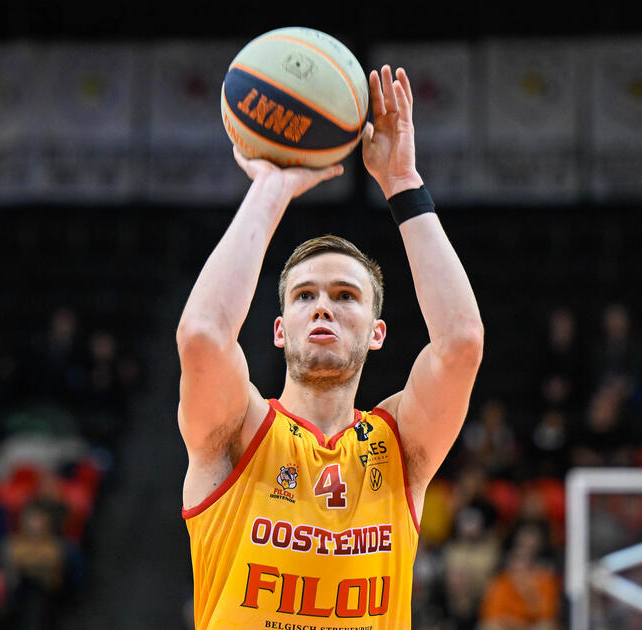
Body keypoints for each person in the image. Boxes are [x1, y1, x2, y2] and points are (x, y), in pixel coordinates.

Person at [177, 66, 484, 628]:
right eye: (304, 296)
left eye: (345, 295)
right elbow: (202, 337)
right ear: (278, 329)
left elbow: (461, 343)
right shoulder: (238, 432)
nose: (323, 306)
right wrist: (271, 188)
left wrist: (402, 183)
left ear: (376, 331)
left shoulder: (400, 446)